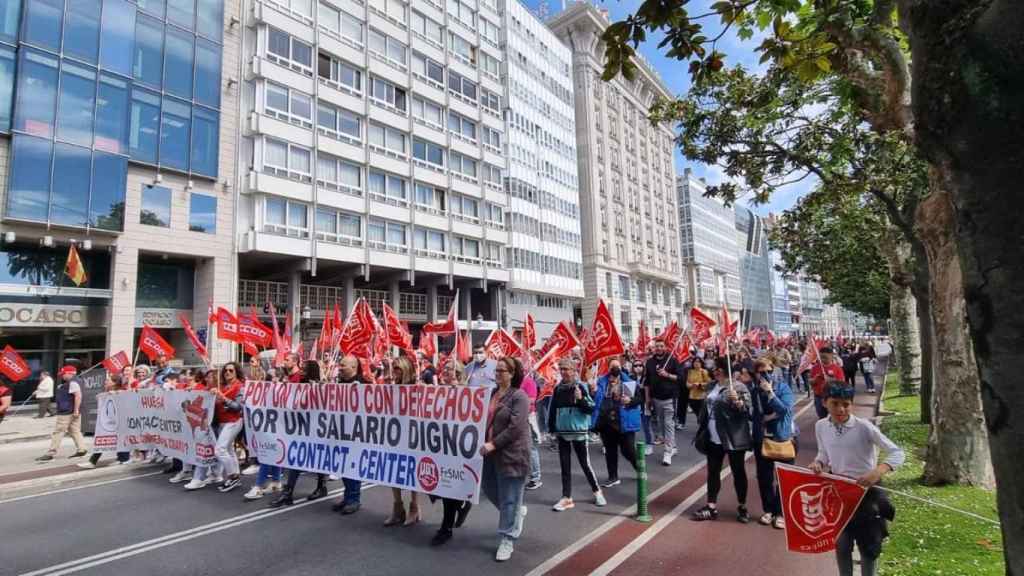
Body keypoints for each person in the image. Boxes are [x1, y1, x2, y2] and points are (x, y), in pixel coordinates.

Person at [811, 384, 905, 576]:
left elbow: (898, 452)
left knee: (869, 549)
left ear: (851, 404)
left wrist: (877, 471)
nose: (840, 409)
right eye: (835, 403)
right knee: (842, 545)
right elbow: (823, 452)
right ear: (824, 403)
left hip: (867, 495)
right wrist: (818, 462)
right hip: (840, 494)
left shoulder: (864, 427)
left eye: (846, 404)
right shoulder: (820, 426)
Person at [480, 356, 531, 562]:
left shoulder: (519, 396)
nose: (498, 374)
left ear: (512, 374)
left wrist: (493, 443)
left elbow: (515, 428)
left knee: (510, 499)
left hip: (512, 455)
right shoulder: (492, 393)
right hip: (491, 454)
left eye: (502, 371)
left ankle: (507, 539)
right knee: (489, 487)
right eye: (497, 370)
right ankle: (516, 514)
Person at [691, 360, 752, 523]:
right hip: (713, 436)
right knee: (712, 471)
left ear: (726, 370)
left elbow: (748, 410)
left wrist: (738, 402)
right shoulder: (711, 386)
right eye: (714, 369)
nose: (715, 372)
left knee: (738, 472)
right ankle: (711, 506)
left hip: (733, 436)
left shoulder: (738, 387)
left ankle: (742, 506)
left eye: (718, 369)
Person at [548, 359, 605, 512]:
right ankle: (566, 497)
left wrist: (580, 400)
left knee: (585, 464)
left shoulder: (581, 386)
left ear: (574, 370)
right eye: (561, 369)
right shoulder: (558, 388)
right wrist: (551, 428)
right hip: (563, 433)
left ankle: (597, 492)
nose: (564, 372)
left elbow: (591, 408)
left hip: (579, 432)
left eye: (566, 369)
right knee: (564, 466)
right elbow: (553, 409)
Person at [271, 356, 329, 505]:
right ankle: (288, 492)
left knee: (317, 458)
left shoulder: (320, 387)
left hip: (316, 428)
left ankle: (321, 486)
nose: (301, 371)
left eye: (304, 369)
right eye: (301, 368)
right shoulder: (298, 384)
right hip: (300, 428)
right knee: (295, 458)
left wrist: (320, 388)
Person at [430, 359, 474, 546]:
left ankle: (445, 528)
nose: (447, 372)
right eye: (445, 369)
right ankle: (462, 504)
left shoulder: (469, 392)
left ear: (459, 372)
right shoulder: (438, 390)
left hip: (458, 446)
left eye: (451, 369)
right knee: (439, 486)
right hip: (439, 444)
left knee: (449, 486)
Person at [749, 359, 795, 529]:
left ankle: (780, 512)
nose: (764, 375)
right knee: (764, 477)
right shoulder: (754, 391)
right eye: (760, 372)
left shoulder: (783, 388)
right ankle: (768, 510)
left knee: (784, 478)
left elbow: (785, 410)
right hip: (762, 439)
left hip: (782, 437)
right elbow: (754, 415)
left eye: (768, 371)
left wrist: (770, 393)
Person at [591, 358, 640, 488]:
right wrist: (592, 392)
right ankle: (613, 477)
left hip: (623, 422)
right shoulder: (601, 382)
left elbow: (639, 399)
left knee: (628, 450)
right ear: (608, 368)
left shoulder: (628, 382)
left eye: (617, 366)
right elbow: (594, 401)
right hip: (606, 423)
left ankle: (640, 469)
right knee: (610, 450)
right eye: (612, 366)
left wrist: (630, 400)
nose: (615, 369)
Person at [385, 355, 422, 526]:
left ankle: (414, 508)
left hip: (412, 435)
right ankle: (398, 508)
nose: (395, 371)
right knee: (393, 470)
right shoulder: (392, 386)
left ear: (406, 369)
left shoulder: (417, 387)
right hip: (394, 434)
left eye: (397, 368)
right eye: (393, 368)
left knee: (412, 472)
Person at [328, 354, 364, 515]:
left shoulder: (364, 384)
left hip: (356, 435)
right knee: (342, 466)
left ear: (353, 368)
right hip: (340, 432)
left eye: (343, 365)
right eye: (340, 365)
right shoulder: (339, 383)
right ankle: (347, 496)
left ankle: (354, 500)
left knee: (352, 467)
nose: (339, 367)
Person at [36, 365, 88, 461]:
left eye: (63, 374)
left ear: (69, 373)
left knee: (58, 431)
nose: (62, 376)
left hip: (67, 411)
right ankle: (82, 449)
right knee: (74, 431)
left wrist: (76, 410)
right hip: (73, 410)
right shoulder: (78, 381)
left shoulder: (73, 382)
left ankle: (51, 453)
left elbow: (78, 396)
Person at [643, 339, 682, 465]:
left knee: (669, 424)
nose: (659, 348)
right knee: (661, 424)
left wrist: (667, 375)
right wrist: (648, 399)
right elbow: (647, 382)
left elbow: (680, 378)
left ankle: (667, 452)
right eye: (657, 346)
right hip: (655, 398)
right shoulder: (649, 362)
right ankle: (673, 446)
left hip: (670, 398)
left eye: (661, 346)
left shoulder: (673, 360)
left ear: (665, 347)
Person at [212, 362, 245, 492]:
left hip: (233, 421)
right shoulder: (224, 387)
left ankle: (233, 475)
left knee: (219, 449)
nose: (227, 373)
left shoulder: (240, 387)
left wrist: (223, 398)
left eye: (231, 370)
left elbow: (238, 407)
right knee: (229, 450)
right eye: (226, 370)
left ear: (236, 372)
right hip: (222, 422)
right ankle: (236, 475)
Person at [521, 367, 543, 490]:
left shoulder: (529, 382)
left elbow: (531, 401)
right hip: (516, 417)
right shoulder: (513, 382)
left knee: (531, 448)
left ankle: (535, 478)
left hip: (528, 417)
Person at [811, 347, 847, 418]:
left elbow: (842, 382)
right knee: (821, 417)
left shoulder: (837, 368)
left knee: (834, 417)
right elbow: (811, 382)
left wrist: (831, 380)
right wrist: (815, 379)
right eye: (821, 357)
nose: (822, 359)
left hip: (833, 396)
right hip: (819, 397)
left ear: (831, 356)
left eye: (825, 357)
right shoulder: (815, 368)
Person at [681, 359, 711, 429]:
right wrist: (691, 385)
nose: (696, 363)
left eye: (698, 362)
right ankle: (702, 425)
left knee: (701, 413)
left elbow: (709, 383)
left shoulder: (704, 371)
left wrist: (699, 384)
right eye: (695, 361)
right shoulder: (690, 372)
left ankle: (703, 427)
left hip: (702, 397)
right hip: (692, 396)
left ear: (701, 363)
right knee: (697, 413)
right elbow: (687, 383)